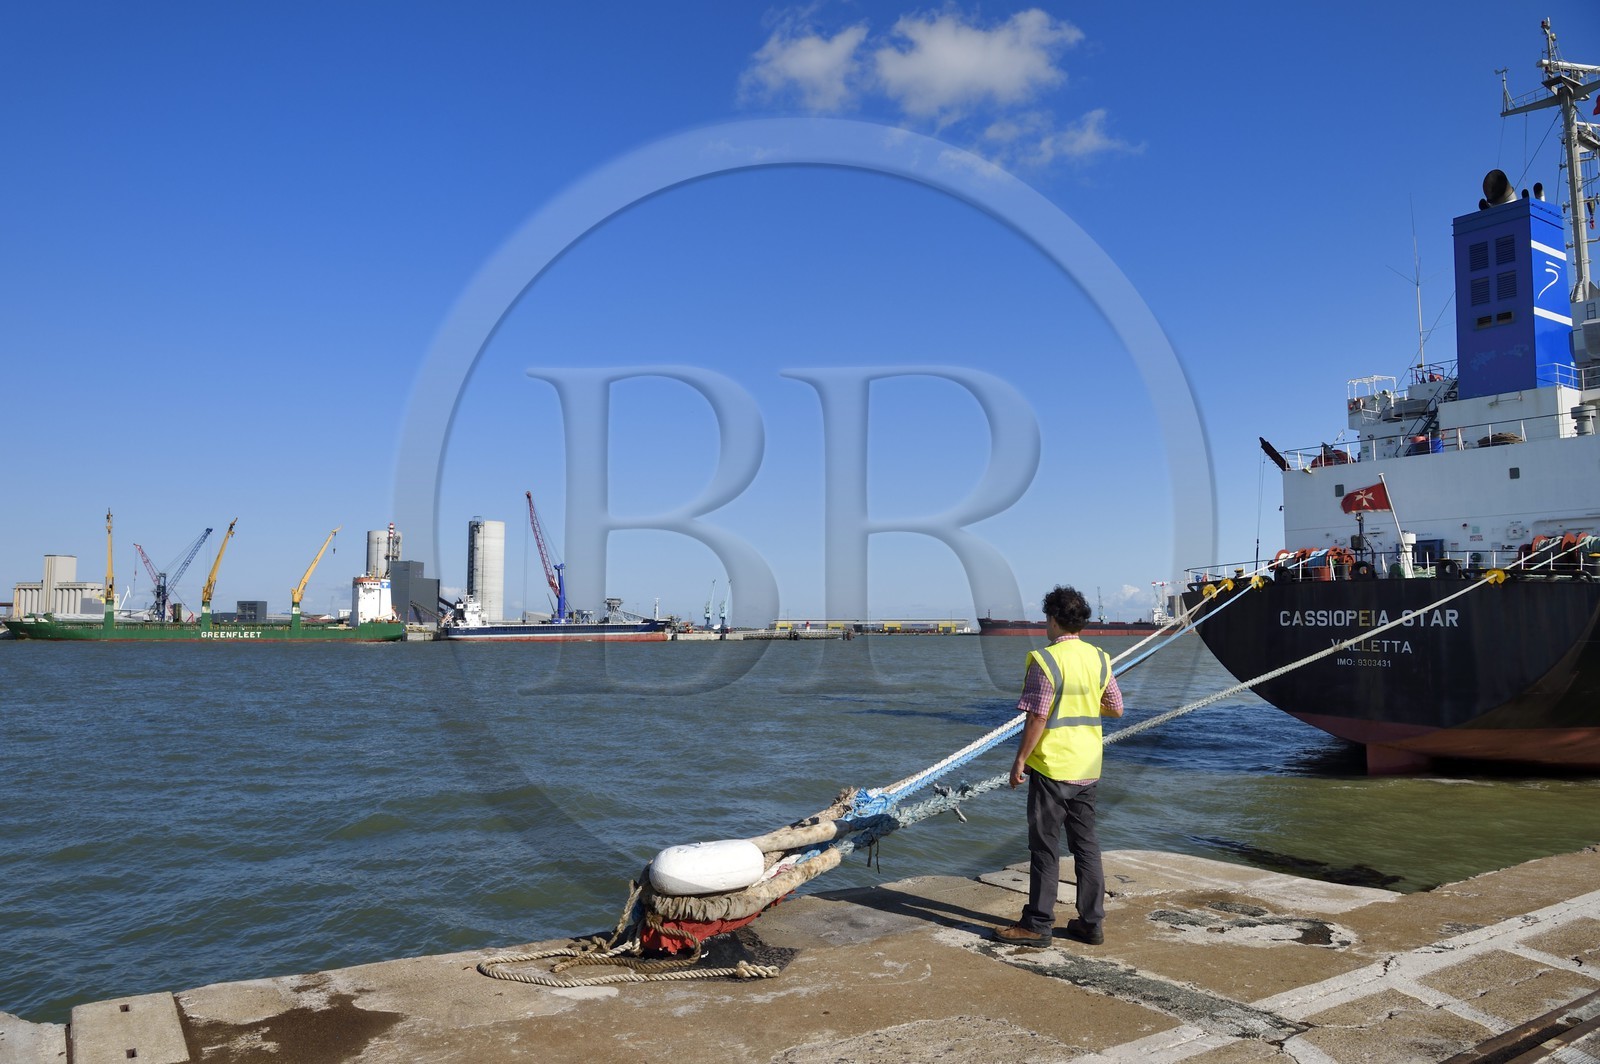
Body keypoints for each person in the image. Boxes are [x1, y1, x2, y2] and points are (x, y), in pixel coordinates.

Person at [993, 584, 1124, 947]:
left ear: (1052, 620)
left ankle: (1037, 924)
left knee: (1045, 848)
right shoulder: (1099, 658)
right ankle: (1091, 922)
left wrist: (1019, 760)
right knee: (1086, 846)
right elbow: (1115, 708)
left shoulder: (1045, 660)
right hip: (1088, 766)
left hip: (1052, 767)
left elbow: (1037, 718)